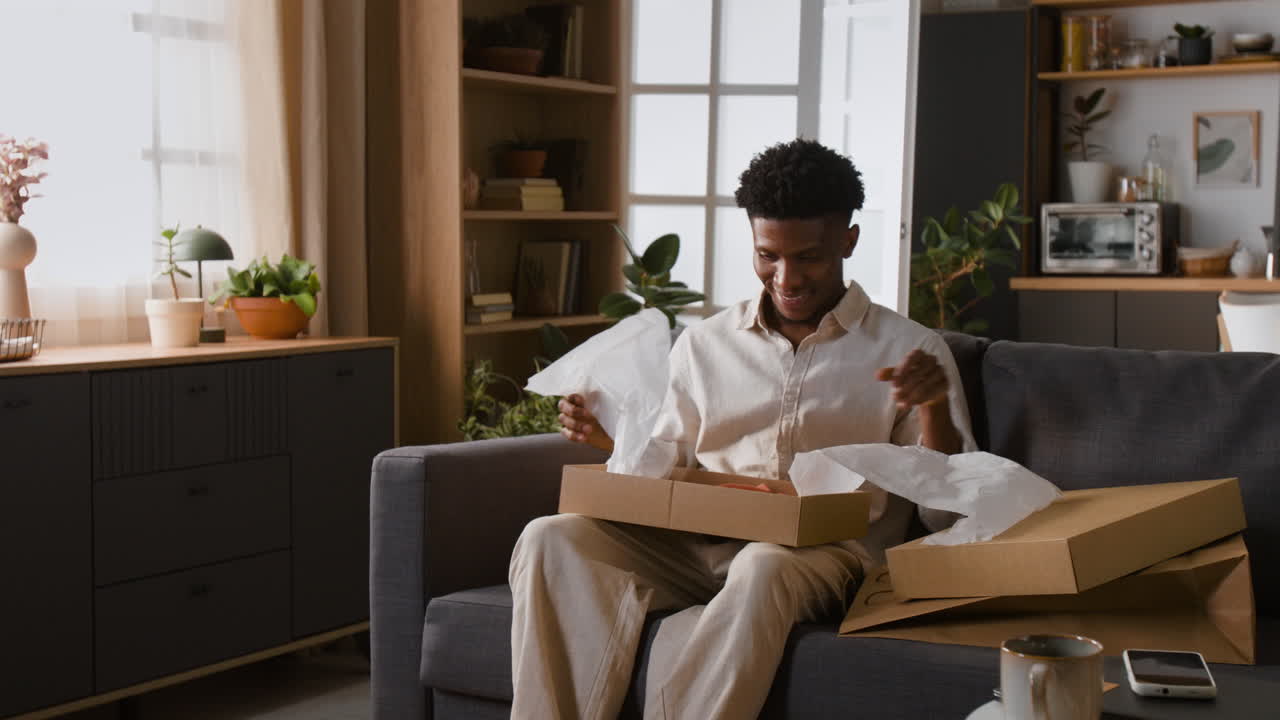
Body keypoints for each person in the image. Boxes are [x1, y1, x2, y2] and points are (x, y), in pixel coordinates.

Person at [509, 138, 975, 720]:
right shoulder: (705, 345)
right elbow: (664, 468)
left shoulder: (911, 351)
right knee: (550, 536)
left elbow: (949, 516)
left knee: (763, 563)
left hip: (823, 559)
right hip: (697, 549)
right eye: (768, 255)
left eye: (808, 257)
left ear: (848, 240)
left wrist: (932, 410)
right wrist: (612, 436)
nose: (786, 277)